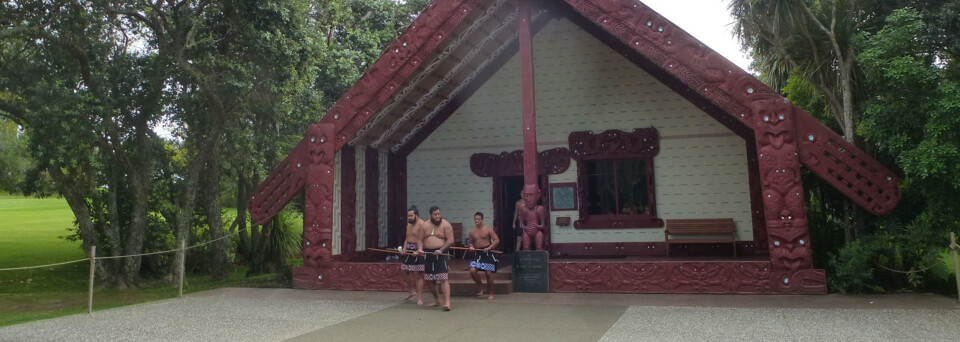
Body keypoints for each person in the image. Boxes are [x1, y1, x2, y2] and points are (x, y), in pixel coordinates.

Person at [417, 206, 454, 311]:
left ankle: (447, 303)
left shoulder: (446, 224)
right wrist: (420, 249)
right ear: (430, 215)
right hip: (428, 253)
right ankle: (437, 300)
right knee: (429, 279)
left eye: (439, 214)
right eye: (435, 214)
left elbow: (451, 240)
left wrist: (441, 250)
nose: (438, 216)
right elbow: (419, 240)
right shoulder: (424, 225)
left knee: (443, 278)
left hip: (441, 253)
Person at [467, 212, 499, 300]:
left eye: (478, 219)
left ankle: (491, 293)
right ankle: (481, 287)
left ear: (482, 219)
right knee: (472, 270)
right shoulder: (472, 232)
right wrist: (471, 247)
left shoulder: (488, 229)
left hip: (487, 253)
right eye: (475, 219)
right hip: (478, 254)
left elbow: (496, 240)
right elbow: (470, 242)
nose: (477, 221)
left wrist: (489, 247)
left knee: (488, 273)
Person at [401, 206, 425, 305]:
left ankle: (419, 298)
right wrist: (404, 248)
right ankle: (411, 290)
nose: (409, 218)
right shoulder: (409, 224)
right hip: (409, 249)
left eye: (411, 216)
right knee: (404, 270)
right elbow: (407, 238)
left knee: (418, 274)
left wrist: (420, 250)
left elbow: (424, 239)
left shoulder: (422, 224)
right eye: (408, 216)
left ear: (417, 215)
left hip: (418, 249)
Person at [519, 185, 546, 250]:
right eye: (526, 196)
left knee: (539, 247)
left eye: (531, 195)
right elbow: (521, 224)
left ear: (538, 195)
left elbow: (543, 225)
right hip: (527, 232)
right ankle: (527, 259)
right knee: (526, 247)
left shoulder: (539, 209)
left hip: (537, 232)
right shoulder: (524, 209)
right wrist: (527, 228)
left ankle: (539, 259)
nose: (528, 199)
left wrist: (536, 226)